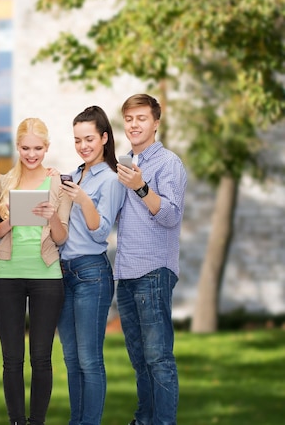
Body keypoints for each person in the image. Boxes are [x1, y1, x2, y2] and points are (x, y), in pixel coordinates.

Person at [0, 117, 71, 425]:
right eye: (25, 148)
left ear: (47, 147)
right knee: (12, 359)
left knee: (41, 357)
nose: (32, 154)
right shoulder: (3, 182)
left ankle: (37, 421)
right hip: (8, 276)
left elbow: (61, 237)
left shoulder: (57, 184)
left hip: (47, 277)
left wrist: (51, 218)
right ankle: (16, 421)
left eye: (38, 148)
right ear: (18, 147)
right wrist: (9, 220)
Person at [115, 94, 187, 425]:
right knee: (140, 359)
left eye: (141, 118)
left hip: (154, 271)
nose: (134, 124)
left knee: (158, 358)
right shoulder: (123, 164)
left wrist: (142, 187)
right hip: (126, 273)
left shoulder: (167, 163)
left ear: (156, 122)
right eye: (129, 118)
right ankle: (144, 420)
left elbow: (171, 215)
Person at [57, 106, 126, 425]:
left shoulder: (110, 180)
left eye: (89, 139)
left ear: (104, 138)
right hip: (64, 272)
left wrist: (83, 199)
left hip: (91, 274)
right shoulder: (76, 173)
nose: (83, 146)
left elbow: (100, 231)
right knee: (71, 359)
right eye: (77, 140)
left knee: (89, 359)